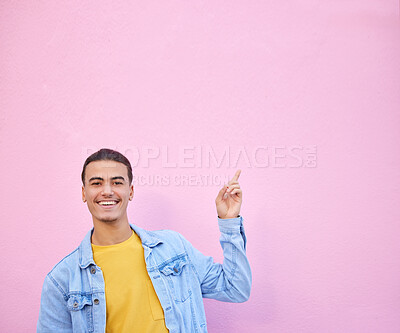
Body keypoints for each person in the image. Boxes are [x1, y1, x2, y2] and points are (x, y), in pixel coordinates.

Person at [37, 148, 251, 333]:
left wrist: (229, 223)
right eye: (97, 183)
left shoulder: (173, 248)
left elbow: (236, 288)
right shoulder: (62, 280)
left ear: (130, 191)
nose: (107, 191)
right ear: (84, 193)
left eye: (117, 182)